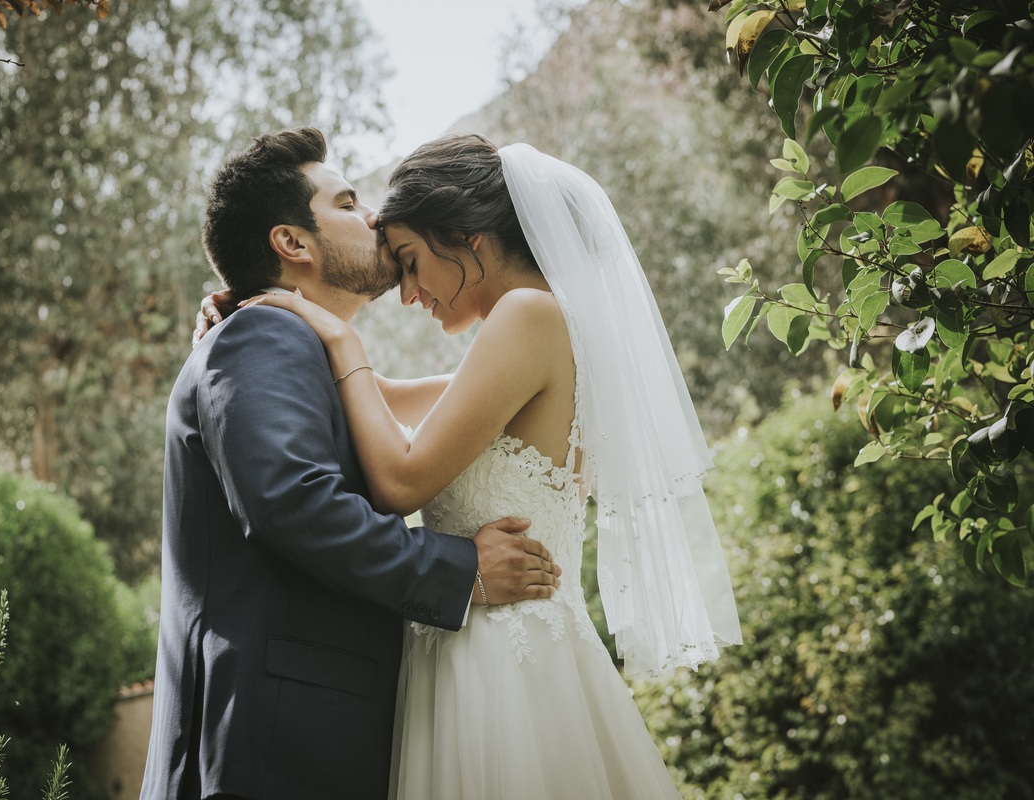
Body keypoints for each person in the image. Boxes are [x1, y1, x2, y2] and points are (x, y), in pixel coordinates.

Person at [202, 134, 743, 799]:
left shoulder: (528, 315)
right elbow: (380, 398)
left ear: (469, 240)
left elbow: (401, 480)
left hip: (500, 663)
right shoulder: (538, 328)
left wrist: (338, 333)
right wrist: (267, 328)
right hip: (489, 648)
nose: (408, 293)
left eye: (409, 261)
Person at [142, 128, 563, 800]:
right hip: (271, 750)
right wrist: (460, 571)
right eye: (347, 202)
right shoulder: (261, 334)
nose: (372, 217)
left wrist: (333, 336)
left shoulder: (291, 344)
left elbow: (439, 403)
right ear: (293, 242)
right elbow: (293, 501)